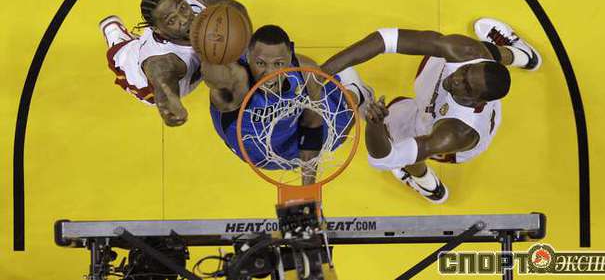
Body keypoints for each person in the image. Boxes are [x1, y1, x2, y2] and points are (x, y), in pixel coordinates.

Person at [320, 18, 541, 203]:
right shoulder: (468, 53)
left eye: (466, 87)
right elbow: (384, 39)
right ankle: (522, 55)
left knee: (403, 145)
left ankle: (428, 185)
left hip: (437, 129)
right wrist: (321, 74)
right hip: (455, 81)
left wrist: (374, 125)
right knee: (488, 51)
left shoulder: (455, 132)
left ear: (477, 100)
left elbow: (383, 160)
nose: (456, 80)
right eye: (464, 72)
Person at [202, 24, 373, 181]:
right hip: (255, 154)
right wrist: (206, 44)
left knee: (345, 117)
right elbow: (212, 73)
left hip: (294, 139)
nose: (270, 73)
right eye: (260, 63)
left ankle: (357, 90)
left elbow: (312, 126)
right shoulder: (236, 83)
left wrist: (308, 191)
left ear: (290, 58)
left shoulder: (304, 71)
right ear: (248, 57)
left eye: (278, 63)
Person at [99, 0, 248, 127]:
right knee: (121, 54)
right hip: (136, 75)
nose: (184, 19)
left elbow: (238, 11)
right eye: (172, 20)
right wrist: (171, 112)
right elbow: (166, 99)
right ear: (157, 29)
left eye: (182, 7)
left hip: (162, 44)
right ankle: (116, 36)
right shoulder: (161, 64)